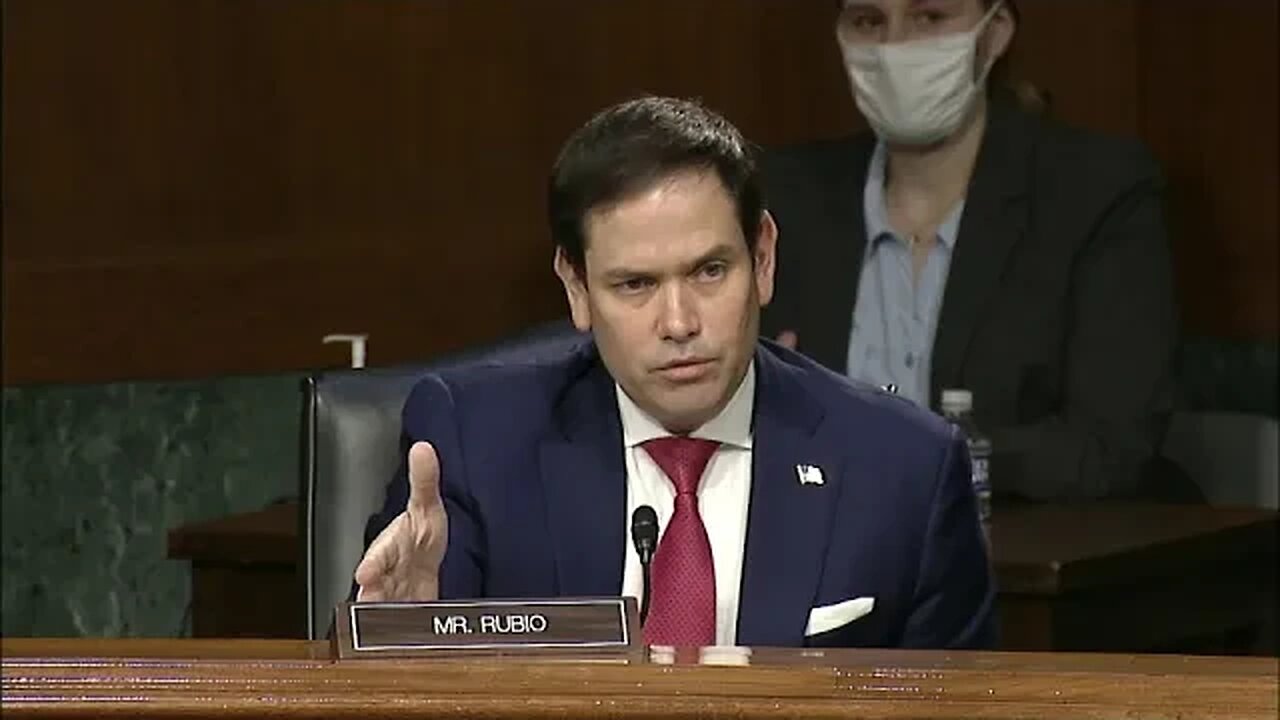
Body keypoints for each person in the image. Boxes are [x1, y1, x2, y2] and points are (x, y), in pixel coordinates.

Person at [355, 96, 995, 650]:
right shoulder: (477, 445)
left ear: (763, 258)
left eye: (710, 271)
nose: (680, 321)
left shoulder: (904, 468)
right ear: (576, 288)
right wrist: (398, 637)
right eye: (635, 284)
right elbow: (404, 681)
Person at [760, 0, 1185, 502]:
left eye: (930, 17)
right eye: (869, 21)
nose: (895, 47)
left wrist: (909, 456)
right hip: (827, 561)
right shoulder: (784, 197)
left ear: (995, 32)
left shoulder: (1094, 192)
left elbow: (1110, 449)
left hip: (1026, 559)